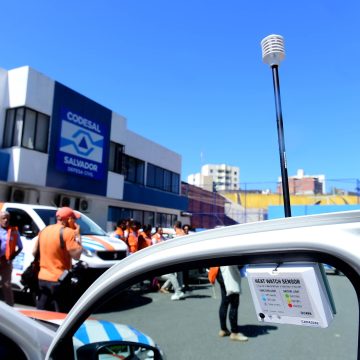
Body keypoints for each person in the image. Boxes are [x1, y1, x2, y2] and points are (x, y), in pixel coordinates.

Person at [33, 207, 83, 312]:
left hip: (42, 278)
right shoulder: (69, 233)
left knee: (42, 311)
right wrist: (78, 236)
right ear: (69, 219)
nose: (75, 222)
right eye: (74, 219)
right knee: (61, 313)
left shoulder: (44, 230)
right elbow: (76, 255)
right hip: (59, 279)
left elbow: (34, 252)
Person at [217, 265, 248, 342]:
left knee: (224, 302)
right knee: (234, 303)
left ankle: (223, 329)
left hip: (220, 271)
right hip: (230, 273)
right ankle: (234, 333)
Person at [0, 211, 23, 306]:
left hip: (6, 261)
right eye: (3, 218)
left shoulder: (14, 231)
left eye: (7, 219)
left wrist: (13, 255)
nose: (6, 220)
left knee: (7, 285)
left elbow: (20, 246)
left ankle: (10, 307)